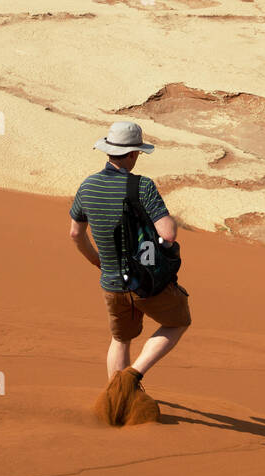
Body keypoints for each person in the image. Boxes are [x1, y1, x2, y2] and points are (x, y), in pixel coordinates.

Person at [69, 119, 191, 425]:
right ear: (135, 154)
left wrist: (96, 260)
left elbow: (75, 234)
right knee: (178, 322)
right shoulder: (143, 185)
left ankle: (116, 404)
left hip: (111, 282)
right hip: (146, 281)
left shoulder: (87, 186)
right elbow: (169, 233)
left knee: (120, 339)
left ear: (109, 151)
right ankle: (134, 376)